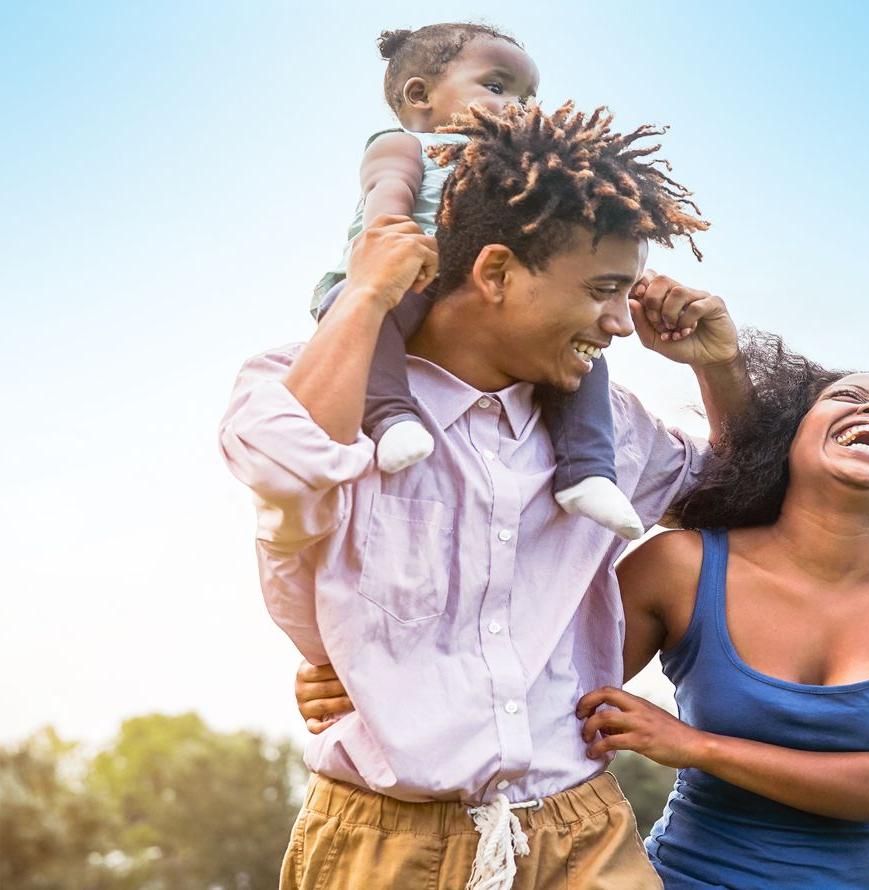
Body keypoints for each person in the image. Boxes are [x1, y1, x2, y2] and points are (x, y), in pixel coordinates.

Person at [222, 98, 742, 890]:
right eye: (602, 289)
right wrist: (365, 295)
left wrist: (717, 366)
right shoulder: (300, 381)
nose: (619, 324)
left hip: (582, 831)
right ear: (495, 271)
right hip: (382, 844)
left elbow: (746, 501)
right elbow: (287, 474)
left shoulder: (613, 431)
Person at [300, 334, 869, 888]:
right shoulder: (681, 564)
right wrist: (381, 683)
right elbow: (528, 686)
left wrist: (691, 744)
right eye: (848, 398)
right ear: (789, 442)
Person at [314, 22, 649, 539]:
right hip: (406, 271)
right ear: (420, 96)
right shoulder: (405, 146)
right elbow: (387, 190)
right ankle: (390, 418)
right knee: (359, 313)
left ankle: (587, 471)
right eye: (497, 88)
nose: (518, 107)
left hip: (477, 288)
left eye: (528, 97)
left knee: (586, 358)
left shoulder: (518, 167)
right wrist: (387, 241)